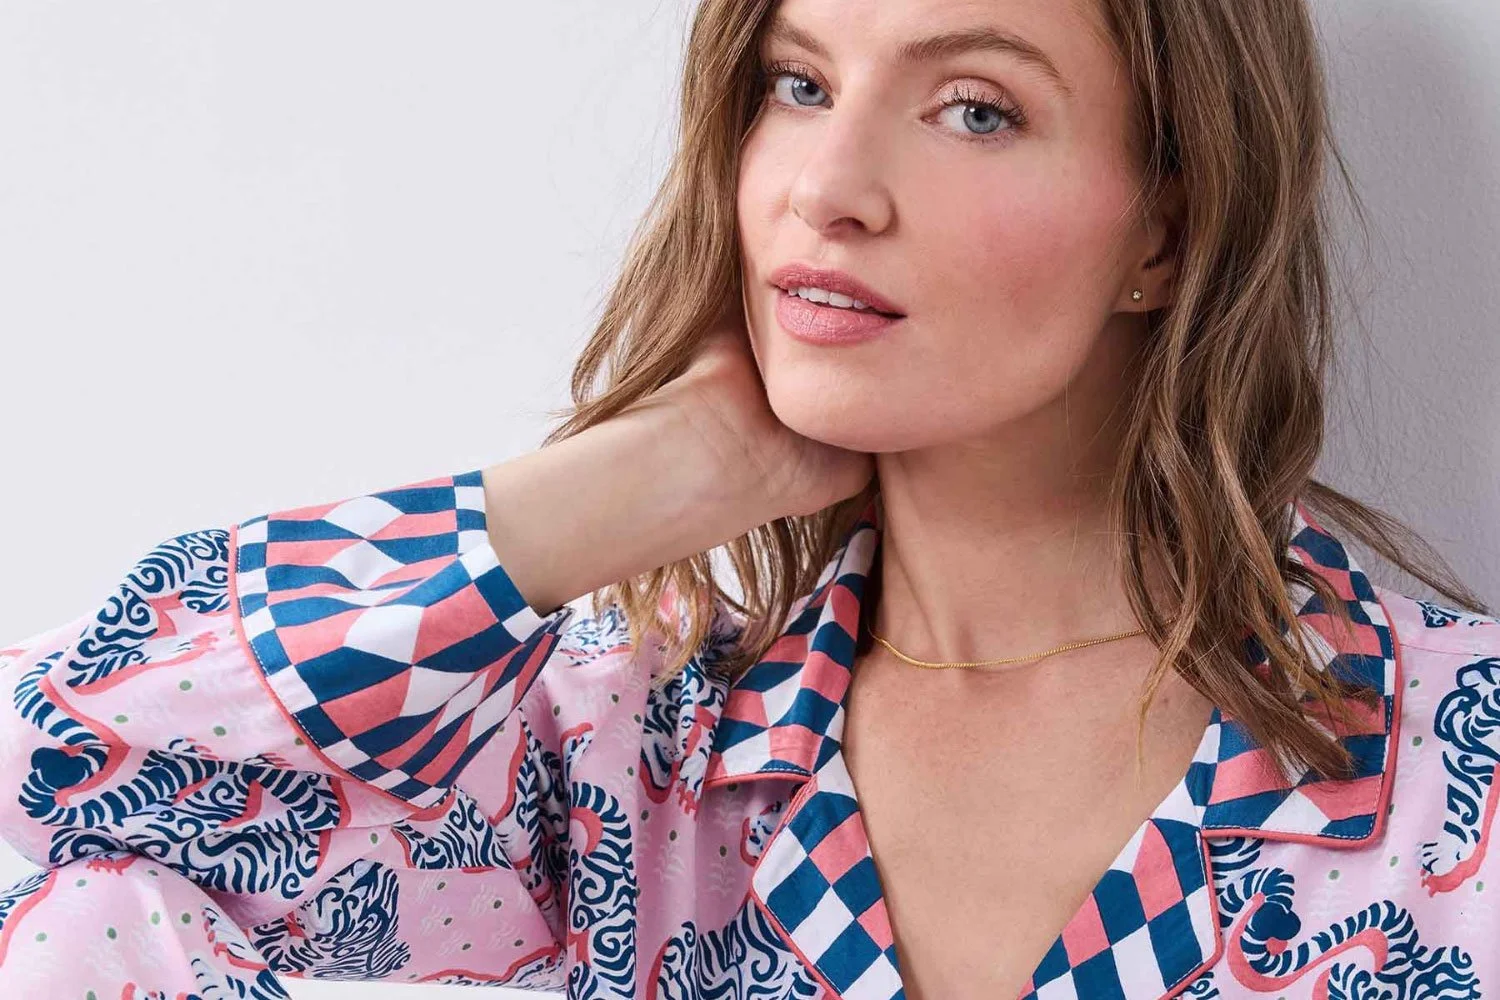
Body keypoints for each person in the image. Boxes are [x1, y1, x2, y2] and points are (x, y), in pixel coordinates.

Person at [1, 0, 1496, 997]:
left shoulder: (1455, 775)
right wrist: (635, 483)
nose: (826, 186)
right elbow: (69, 770)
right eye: (799, 85)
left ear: (1164, 230)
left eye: (974, 110)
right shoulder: (634, 758)